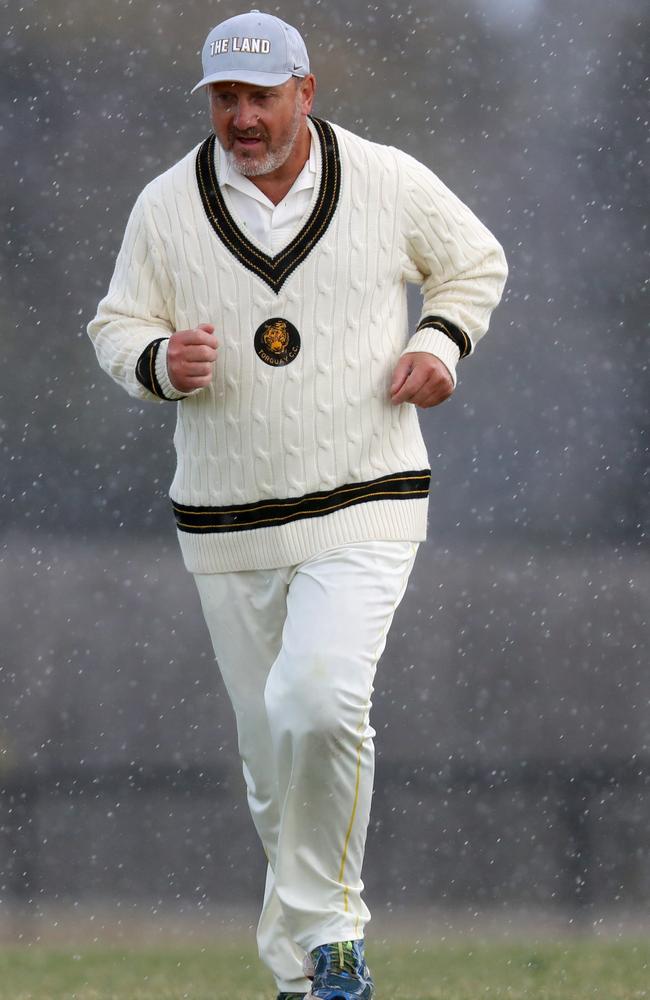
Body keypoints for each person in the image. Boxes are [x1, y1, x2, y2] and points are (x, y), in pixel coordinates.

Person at [88, 10, 507, 999]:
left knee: (315, 699)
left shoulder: (386, 178)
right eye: (224, 98)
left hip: (368, 496)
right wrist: (159, 361)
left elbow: (472, 261)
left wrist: (438, 344)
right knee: (270, 756)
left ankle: (330, 940)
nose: (240, 117)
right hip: (227, 520)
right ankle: (309, 973)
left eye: (259, 96)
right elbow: (116, 325)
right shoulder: (163, 207)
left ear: (304, 92)